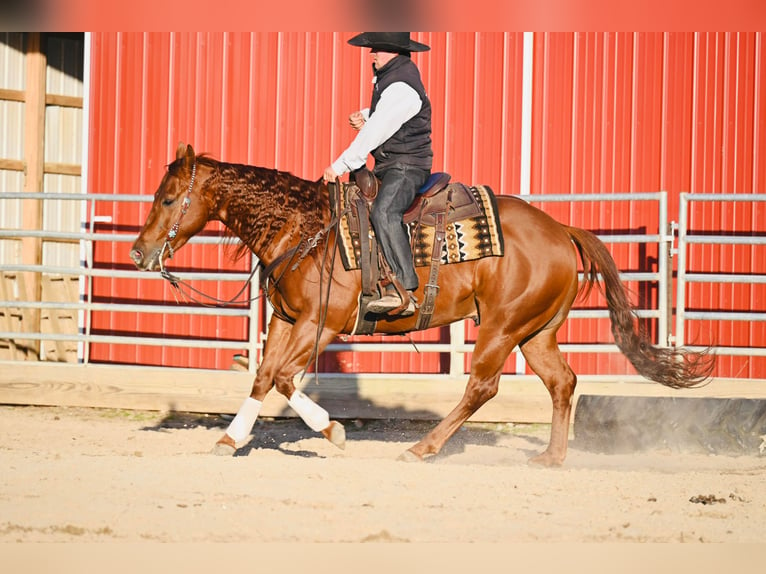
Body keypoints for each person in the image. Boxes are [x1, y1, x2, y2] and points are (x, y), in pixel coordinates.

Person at [323, 32, 433, 316]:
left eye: (377, 50)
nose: (372, 54)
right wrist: (366, 114)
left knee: (384, 212)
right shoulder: (394, 80)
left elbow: (377, 130)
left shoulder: (401, 86)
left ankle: (404, 289)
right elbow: (386, 117)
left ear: (393, 52)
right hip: (393, 163)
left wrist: (341, 165)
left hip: (408, 166)